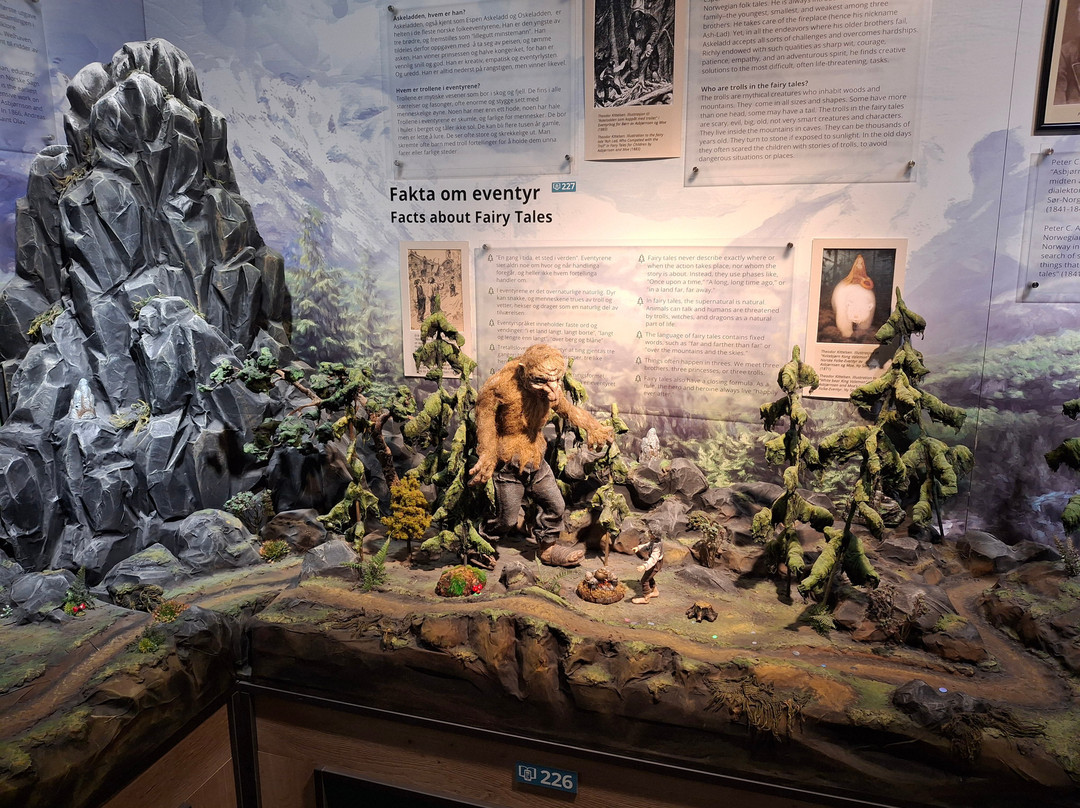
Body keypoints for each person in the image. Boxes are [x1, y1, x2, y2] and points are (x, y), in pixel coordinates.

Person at [469, 344, 613, 557]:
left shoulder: (550, 389)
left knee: (556, 505)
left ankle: (547, 548)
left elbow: (568, 410)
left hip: (536, 458)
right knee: (506, 519)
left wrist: (594, 427)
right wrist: (487, 454)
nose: (552, 388)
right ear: (522, 371)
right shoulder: (499, 386)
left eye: (556, 380)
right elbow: (485, 420)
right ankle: (480, 546)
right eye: (542, 381)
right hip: (508, 463)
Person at [631, 528, 664, 604]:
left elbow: (653, 559)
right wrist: (638, 547)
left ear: (654, 535)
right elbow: (648, 545)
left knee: (644, 580)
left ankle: (646, 597)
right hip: (654, 563)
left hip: (655, 564)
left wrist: (644, 566)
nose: (649, 534)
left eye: (650, 533)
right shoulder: (654, 541)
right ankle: (655, 591)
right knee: (649, 576)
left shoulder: (657, 547)